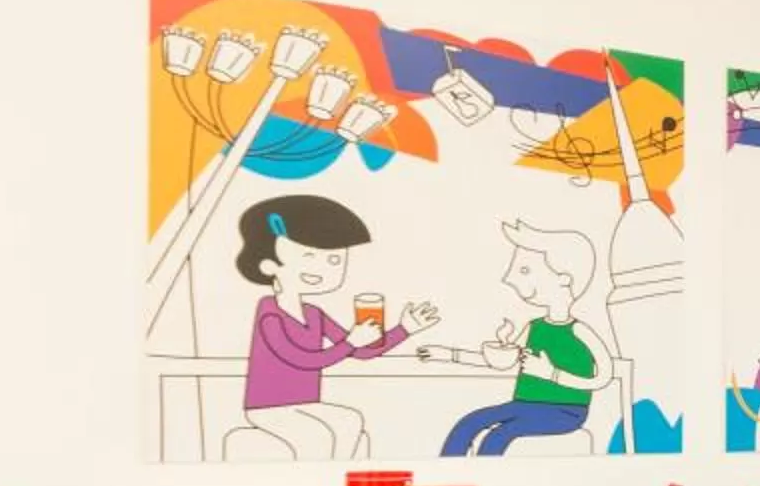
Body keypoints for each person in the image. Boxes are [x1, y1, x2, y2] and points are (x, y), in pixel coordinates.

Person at [233, 196, 437, 460]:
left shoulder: (314, 314)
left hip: (306, 403)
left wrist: (405, 328)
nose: (323, 267)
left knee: (350, 420)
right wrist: (351, 342)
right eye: (308, 255)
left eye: (334, 260)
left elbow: (363, 352)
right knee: (316, 436)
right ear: (269, 265)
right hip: (267, 407)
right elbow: (302, 360)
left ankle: (335, 482)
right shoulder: (269, 314)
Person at [442, 221, 613, 455]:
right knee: (468, 424)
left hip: (567, 412)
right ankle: (450, 482)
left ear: (564, 278)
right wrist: (449, 355)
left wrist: (552, 374)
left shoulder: (580, 331)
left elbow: (604, 377)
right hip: (523, 405)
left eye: (525, 270)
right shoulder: (533, 327)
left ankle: (484, 482)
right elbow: (503, 361)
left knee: (498, 436)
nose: (510, 279)